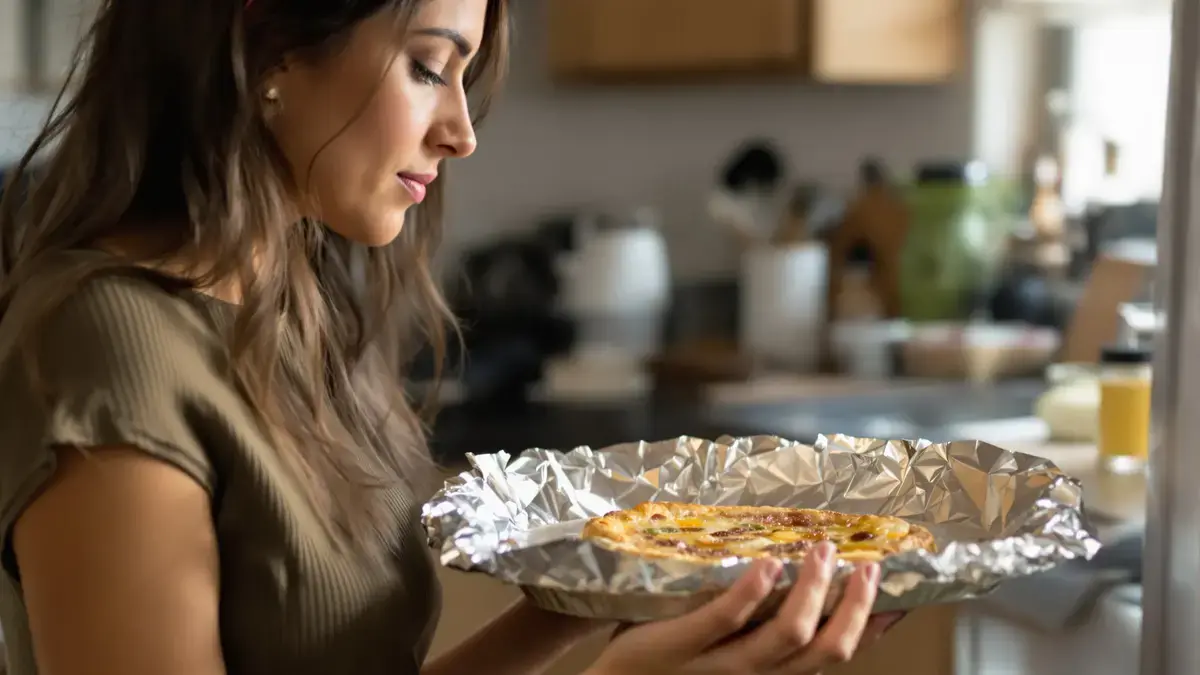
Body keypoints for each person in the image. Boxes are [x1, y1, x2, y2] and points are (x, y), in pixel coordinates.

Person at [0, 1, 903, 674]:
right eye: (430, 67)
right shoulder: (109, 344)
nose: (462, 131)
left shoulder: (297, 308)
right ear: (263, 42)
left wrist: (581, 605)